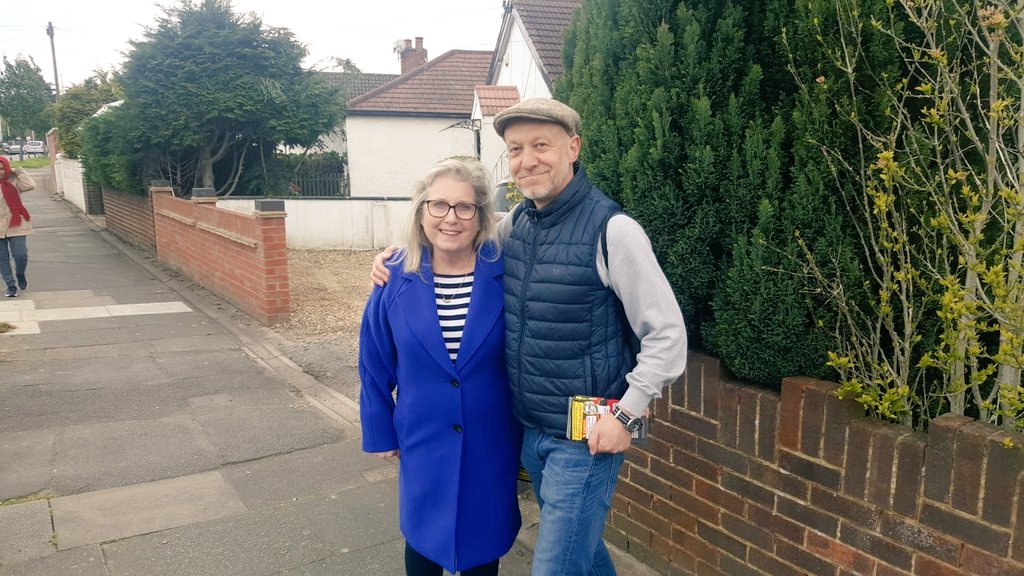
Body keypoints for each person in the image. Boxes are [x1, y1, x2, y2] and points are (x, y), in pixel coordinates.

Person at [372, 98, 687, 575]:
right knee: (584, 551)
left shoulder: (613, 230)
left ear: (573, 148)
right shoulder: (516, 226)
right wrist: (399, 250)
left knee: (556, 566)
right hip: (532, 433)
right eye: (516, 149)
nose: (528, 159)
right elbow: (454, 227)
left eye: (542, 145)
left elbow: (666, 335)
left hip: (587, 437)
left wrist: (627, 415)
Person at [359, 157, 523, 576]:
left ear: (481, 215)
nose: (451, 218)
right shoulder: (394, 277)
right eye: (439, 205)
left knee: (483, 544)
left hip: (491, 437)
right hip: (422, 437)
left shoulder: (506, 274)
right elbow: (373, 362)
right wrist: (380, 431)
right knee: (423, 542)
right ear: (421, 211)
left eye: (464, 207)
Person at [0, 156, 32, 297]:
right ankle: (11, 285)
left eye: (1, 168)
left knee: (20, 254)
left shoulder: (14, 181)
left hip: (16, 223)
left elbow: (30, 185)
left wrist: (17, 171)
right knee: (2, 257)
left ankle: (20, 274)